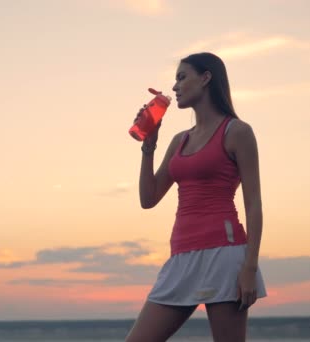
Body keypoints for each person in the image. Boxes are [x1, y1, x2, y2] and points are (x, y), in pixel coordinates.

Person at [126, 52, 267, 342]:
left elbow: (253, 204)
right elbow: (148, 198)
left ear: (206, 78)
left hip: (224, 255)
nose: (175, 87)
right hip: (181, 256)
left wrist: (249, 268)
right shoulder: (180, 140)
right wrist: (148, 147)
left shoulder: (237, 131)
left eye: (182, 77)